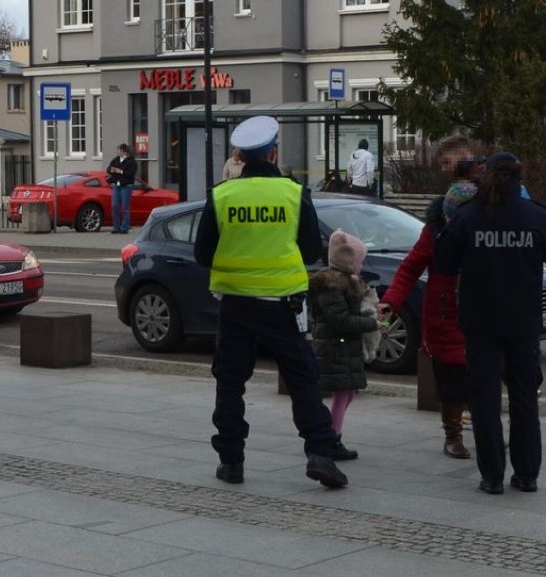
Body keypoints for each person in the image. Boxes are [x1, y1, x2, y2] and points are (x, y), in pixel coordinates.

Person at [194, 115, 349, 488]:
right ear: (273, 152)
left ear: (241, 157)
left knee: (230, 384)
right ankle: (320, 454)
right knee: (303, 381)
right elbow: (312, 249)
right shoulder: (293, 193)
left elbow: (202, 254)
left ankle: (231, 461)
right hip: (282, 304)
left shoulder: (222, 194)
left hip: (235, 305)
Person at [434, 152, 546, 495]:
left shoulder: (469, 216)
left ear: (485, 176)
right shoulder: (534, 214)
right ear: (519, 177)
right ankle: (527, 475)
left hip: (480, 321)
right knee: (525, 398)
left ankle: (492, 475)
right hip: (523, 321)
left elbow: (445, 263)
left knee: (484, 400)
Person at [379, 135, 480, 460]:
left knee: (481, 375)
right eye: (444, 165)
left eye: (449, 162)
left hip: (480, 310)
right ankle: (453, 435)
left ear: (469, 159)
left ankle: (487, 430)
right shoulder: (437, 219)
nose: (446, 170)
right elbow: (410, 267)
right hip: (445, 311)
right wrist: (391, 302)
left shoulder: (492, 209)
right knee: (451, 379)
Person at [309, 230, 380, 461]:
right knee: (342, 395)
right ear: (349, 262)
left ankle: (331, 437)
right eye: (359, 261)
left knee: (348, 394)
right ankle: (332, 440)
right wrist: (371, 323)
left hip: (343, 348)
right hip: (335, 348)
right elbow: (341, 321)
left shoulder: (347, 283)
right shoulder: (331, 287)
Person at [106, 144, 137, 234]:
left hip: (126, 186)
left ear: (123, 151)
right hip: (116, 185)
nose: (117, 152)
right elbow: (108, 169)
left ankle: (125, 227)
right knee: (114, 206)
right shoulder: (115, 160)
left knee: (125, 207)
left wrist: (120, 171)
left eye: (118, 150)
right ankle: (116, 227)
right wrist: (112, 170)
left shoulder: (131, 161)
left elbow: (130, 174)